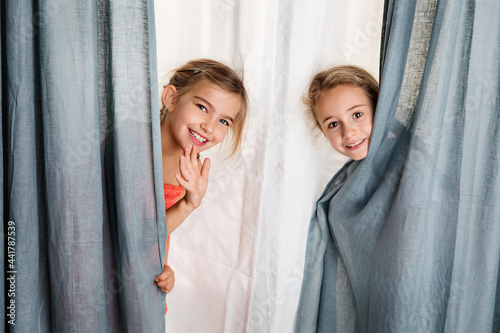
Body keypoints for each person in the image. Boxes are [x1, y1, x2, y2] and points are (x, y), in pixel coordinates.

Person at [153, 59, 248, 308]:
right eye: (202, 107)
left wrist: (164, 269)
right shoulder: (133, 144)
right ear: (172, 98)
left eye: (224, 121)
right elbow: (135, 231)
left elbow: (156, 233)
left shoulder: (191, 169)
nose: (209, 127)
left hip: (143, 275)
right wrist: (187, 204)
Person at [304, 65, 379, 161]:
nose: (348, 133)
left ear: (378, 108)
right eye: (333, 124)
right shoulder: (349, 174)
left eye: (357, 115)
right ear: (323, 131)